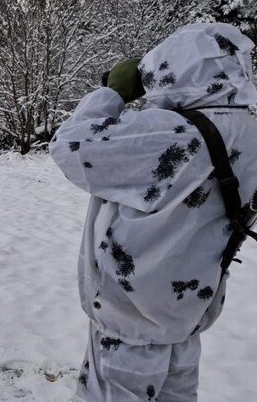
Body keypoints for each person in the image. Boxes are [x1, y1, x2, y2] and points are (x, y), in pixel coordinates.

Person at [49, 22, 257, 401]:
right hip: (187, 316)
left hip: (131, 323)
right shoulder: (249, 130)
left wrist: (112, 92)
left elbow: (70, 146)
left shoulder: (170, 134)